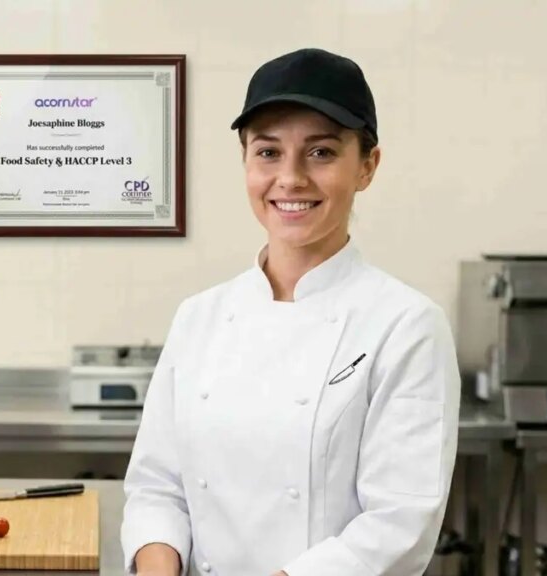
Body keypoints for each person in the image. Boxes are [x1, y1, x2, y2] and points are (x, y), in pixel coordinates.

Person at [120, 48, 461, 576]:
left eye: (321, 152)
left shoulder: (406, 325)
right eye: (268, 152)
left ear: (367, 166)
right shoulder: (200, 316)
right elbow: (157, 488)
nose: (291, 178)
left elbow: (398, 522)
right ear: (245, 162)